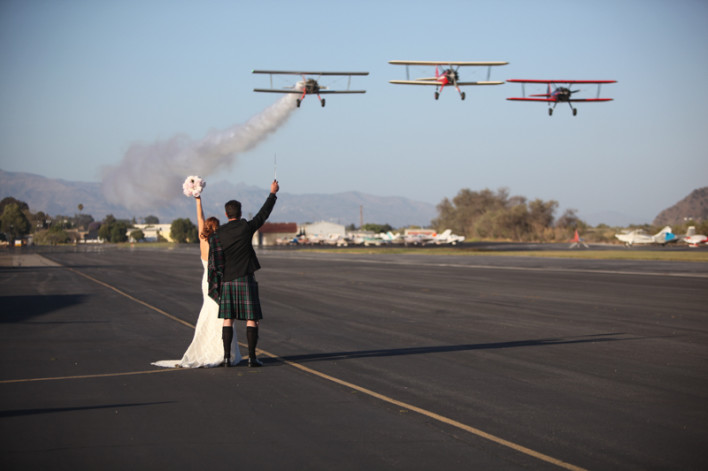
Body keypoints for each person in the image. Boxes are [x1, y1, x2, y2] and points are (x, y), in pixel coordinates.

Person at [152, 194, 240, 368]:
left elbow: (199, 219)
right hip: (219, 281)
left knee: (211, 312)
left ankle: (217, 350)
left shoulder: (204, 241)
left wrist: (198, 201)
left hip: (206, 281)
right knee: (222, 315)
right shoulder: (220, 242)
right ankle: (223, 351)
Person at [208, 179, 279, 367]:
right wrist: (272, 193)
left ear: (226, 214)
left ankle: (225, 358)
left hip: (228, 280)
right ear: (239, 214)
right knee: (251, 318)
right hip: (246, 278)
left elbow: (214, 260)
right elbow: (263, 215)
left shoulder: (218, 234)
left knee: (227, 319)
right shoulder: (246, 227)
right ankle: (252, 358)